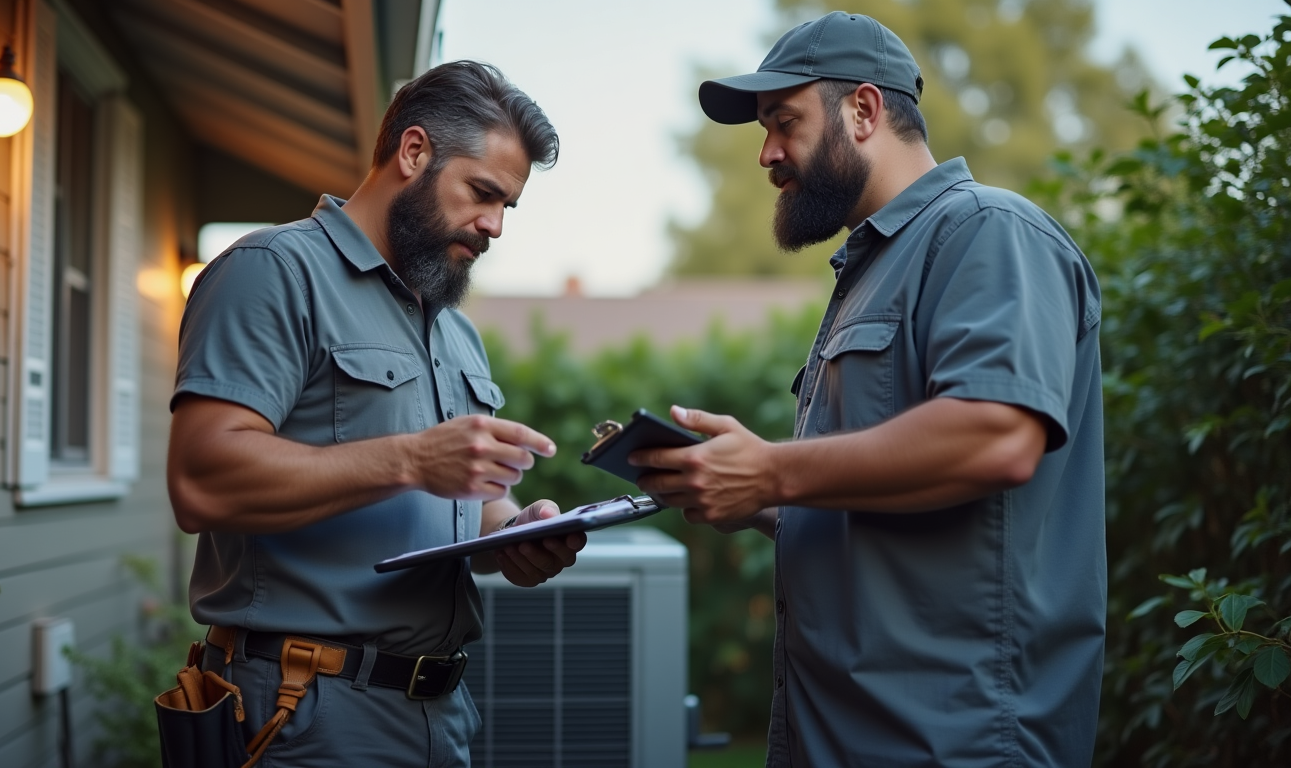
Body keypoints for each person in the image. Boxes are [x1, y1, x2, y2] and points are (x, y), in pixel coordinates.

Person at [631, 12, 1105, 768]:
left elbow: (998, 438)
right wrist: (759, 498)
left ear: (863, 110)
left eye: (783, 121)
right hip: (839, 739)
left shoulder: (988, 231)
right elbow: (884, 496)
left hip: (954, 744)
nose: (766, 153)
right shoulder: (871, 271)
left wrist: (772, 468)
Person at [166, 61, 582, 768]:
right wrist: (412, 457)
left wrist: (512, 530)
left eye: (509, 206)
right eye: (483, 194)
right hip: (305, 710)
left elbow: (455, 497)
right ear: (413, 152)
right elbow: (201, 481)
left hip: (440, 713)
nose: (496, 226)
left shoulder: (452, 326)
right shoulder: (272, 271)